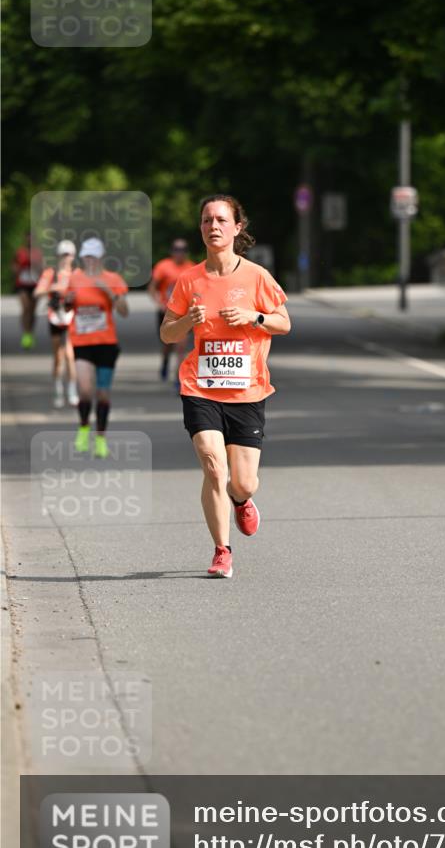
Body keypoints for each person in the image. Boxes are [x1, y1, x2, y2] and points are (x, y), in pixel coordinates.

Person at [160, 195, 290, 578]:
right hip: (200, 386)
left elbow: (284, 322)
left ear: (237, 228)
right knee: (213, 466)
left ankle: (241, 500)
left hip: (246, 390)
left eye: (220, 220)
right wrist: (187, 321)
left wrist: (255, 316)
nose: (213, 226)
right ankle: (221, 550)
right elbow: (167, 333)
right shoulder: (189, 280)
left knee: (244, 481)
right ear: (200, 228)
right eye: (206, 220)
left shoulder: (256, 276)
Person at [65, 237, 129, 459]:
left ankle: (100, 438)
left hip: (106, 343)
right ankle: (83, 427)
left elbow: (124, 311)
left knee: (102, 394)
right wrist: (67, 301)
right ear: (82, 257)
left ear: (101, 257)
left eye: (93, 256)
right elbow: (62, 305)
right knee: (84, 390)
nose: (89, 260)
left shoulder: (112, 279)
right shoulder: (74, 278)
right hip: (82, 342)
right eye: (86, 256)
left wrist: (109, 292)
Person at [34, 239, 79, 408]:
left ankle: (72, 391)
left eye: (69, 255)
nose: (66, 258)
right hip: (55, 318)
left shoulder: (77, 273)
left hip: (71, 318)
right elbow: (37, 292)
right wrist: (54, 288)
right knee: (58, 357)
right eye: (63, 255)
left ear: (73, 256)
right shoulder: (50, 273)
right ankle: (58, 390)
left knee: (70, 355)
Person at [148, 238, 192, 381]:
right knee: (168, 344)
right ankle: (165, 362)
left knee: (181, 345)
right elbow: (152, 287)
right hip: (166, 311)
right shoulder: (163, 266)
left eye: (183, 250)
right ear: (172, 251)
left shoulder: (192, 267)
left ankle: (178, 378)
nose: (180, 253)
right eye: (176, 249)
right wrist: (158, 303)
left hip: (183, 313)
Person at [13, 233, 43, 349]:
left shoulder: (38, 253)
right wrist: (18, 270)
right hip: (22, 285)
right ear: (25, 239)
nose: (30, 240)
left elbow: (42, 268)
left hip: (35, 285)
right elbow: (14, 265)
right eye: (28, 238)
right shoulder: (20, 252)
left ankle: (30, 331)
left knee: (32, 310)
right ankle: (26, 333)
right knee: (26, 308)